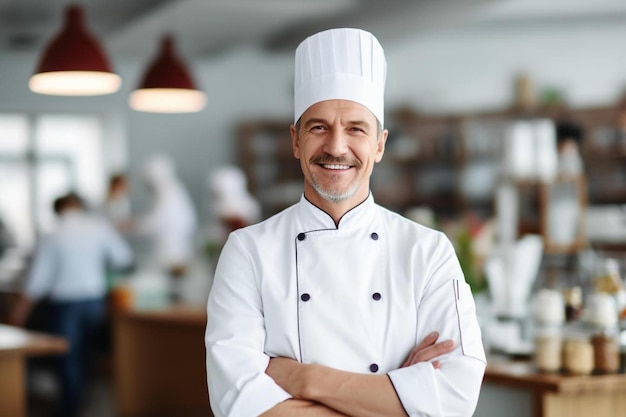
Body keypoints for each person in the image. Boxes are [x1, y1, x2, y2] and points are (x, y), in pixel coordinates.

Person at [205, 28, 486, 417]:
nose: (336, 147)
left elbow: (455, 398)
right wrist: (395, 396)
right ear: (295, 141)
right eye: (319, 126)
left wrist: (306, 380)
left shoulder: (428, 250)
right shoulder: (248, 251)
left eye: (356, 128)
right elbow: (237, 403)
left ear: (380, 144)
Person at [8, 191, 133, 417]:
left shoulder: (53, 233)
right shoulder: (98, 227)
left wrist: (22, 308)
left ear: (57, 210)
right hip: (95, 300)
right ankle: (87, 404)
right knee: (88, 355)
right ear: (79, 206)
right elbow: (123, 258)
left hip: (65, 304)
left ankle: (71, 409)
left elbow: (39, 277)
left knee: (68, 358)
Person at [133, 154, 198, 278]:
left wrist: (131, 225)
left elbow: (155, 223)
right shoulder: (173, 190)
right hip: (175, 253)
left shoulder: (167, 193)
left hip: (171, 255)